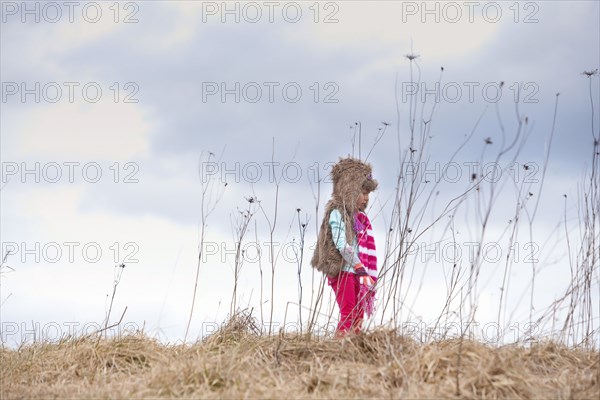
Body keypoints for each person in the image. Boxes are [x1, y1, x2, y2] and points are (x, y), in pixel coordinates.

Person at [311, 157, 378, 336]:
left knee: (358, 315)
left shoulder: (360, 219)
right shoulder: (337, 213)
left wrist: (361, 270)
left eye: (368, 194)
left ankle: (354, 349)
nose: (366, 198)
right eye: (363, 192)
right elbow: (342, 245)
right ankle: (339, 350)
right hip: (343, 271)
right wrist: (359, 267)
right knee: (348, 312)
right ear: (349, 189)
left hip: (356, 272)